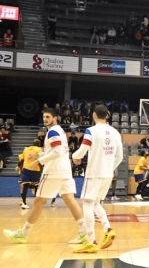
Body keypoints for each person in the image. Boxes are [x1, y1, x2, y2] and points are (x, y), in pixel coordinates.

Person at [4, 108, 86, 244]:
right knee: (70, 200)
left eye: (48, 117)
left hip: (53, 172)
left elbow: (57, 152)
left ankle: (23, 233)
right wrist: (39, 154)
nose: (45, 119)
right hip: (65, 170)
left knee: (38, 202)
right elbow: (53, 150)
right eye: (44, 117)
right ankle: (84, 231)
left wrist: (39, 161)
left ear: (55, 118)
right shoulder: (58, 130)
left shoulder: (53, 131)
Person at [71, 105, 123, 253]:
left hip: (94, 172)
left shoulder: (91, 131)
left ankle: (91, 241)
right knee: (96, 203)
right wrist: (109, 168)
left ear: (94, 115)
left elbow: (82, 151)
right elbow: (119, 157)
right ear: (107, 116)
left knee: (87, 204)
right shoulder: (115, 132)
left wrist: (75, 156)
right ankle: (108, 228)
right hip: (107, 173)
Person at [18, 140, 43, 209]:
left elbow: (21, 159)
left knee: (25, 186)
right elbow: (41, 160)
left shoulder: (26, 149)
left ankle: (24, 203)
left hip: (26, 169)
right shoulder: (39, 149)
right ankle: (37, 204)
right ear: (39, 144)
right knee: (36, 187)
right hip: (35, 170)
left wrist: (20, 169)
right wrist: (41, 170)